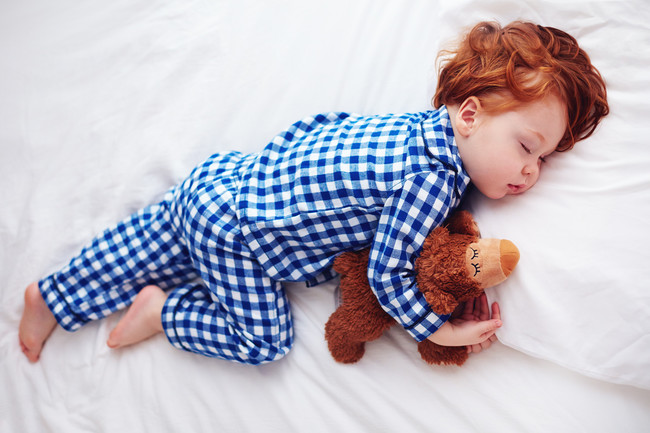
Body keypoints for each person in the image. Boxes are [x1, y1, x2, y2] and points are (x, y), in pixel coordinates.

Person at [18, 21, 609, 365]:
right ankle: (165, 313)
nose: (531, 172)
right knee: (264, 341)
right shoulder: (432, 180)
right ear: (471, 115)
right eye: (527, 147)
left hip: (224, 181)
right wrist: (435, 328)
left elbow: (320, 126)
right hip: (242, 240)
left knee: (142, 243)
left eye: (543, 159)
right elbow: (387, 272)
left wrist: (270, 170)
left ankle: (52, 295)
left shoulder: (407, 127)